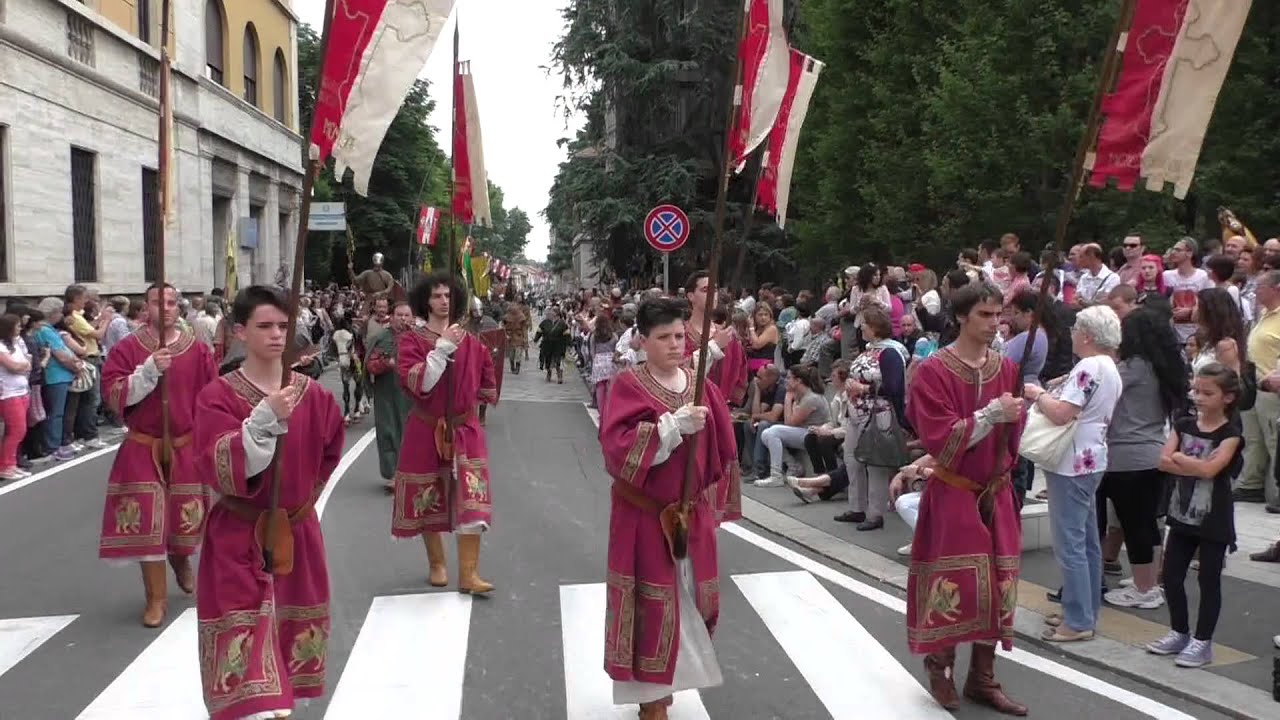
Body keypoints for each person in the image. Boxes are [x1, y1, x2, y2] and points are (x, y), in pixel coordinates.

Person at [193, 285, 345, 719]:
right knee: (247, 675)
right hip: (237, 537)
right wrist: (261, 420)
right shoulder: (217, 396)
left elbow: (330, 451)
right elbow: (216, 464)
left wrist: (301, 503)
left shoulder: (314, 396)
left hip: (296, 533)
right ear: (240, 331)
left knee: (291, 649)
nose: (277, 335)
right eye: (265, 326)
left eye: (283, 325)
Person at [599, 297, 739, 720]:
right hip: (643, 514)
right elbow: (616, 448)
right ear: (643, 340)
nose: (675, 345)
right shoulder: (629, 385)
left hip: (689, 514)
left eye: (680, 335)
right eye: (663, 337)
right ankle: (650, 698)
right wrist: (671, 428)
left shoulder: (699, 385)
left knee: (691, 600)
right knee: (651, 603)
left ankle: (674, 678)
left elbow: (722, 448)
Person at [893, 281, 1027, 715]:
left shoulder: (1007, 369)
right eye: (985, 315)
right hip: (954, 491)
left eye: (998, 314)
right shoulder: (932, 371)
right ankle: (941, 666)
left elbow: (1013, 438)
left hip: (997, 493)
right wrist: (991, 415)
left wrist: (1016, 418)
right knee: (953, 587)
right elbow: (940, 438)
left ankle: (983, 678)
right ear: (962, 316)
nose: (995, 323)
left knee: (999, 588)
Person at [98, 283, 217, 627]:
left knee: (184, 517)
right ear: (145, 307)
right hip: (143, 444)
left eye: (170, 302)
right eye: (156, 302)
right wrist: (148, 371)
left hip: (184, 444)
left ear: (178, 308)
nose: (165, 308)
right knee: (147, 521)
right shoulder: (127, 348)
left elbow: (210, 397)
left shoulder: (197, 349)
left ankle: (180, 559)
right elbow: (114, 395)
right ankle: (156, 599)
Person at [391, 271, 498, 594]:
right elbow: (416, 383)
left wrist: (470, 406)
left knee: (473, 497)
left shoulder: (474, 343)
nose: (443, 301)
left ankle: (469, 574)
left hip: (465, 428)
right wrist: (439, 352)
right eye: (437, 295)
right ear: (426, 300)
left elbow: (486, 383)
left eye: (448, 296)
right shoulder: (412, 341)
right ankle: (437, 563)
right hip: (425, 427)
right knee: (428, 498)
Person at [1147, 363, 1243, 668]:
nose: (1198, 397)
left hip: (1213, 517)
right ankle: (1179, 631)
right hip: (1180, 511)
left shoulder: (1231, 434)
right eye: (1195, 390)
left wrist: (1180, 459)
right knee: (1172, 576)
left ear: (1227, 398)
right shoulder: (1183, 423)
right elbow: (1162, 461)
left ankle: (1203, 641)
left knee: (1208, 579)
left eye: (1207, 392)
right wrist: (1185, 461)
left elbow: (1210, 470)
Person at [366, 301, 414, 493]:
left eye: (406, 315)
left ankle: (411, 472)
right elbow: (370, 365)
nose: (403, 319)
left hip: (411, 394)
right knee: (388, 431)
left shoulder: (418, 338)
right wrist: (387, 363)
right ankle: (392, 474)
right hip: (386, 393)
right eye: (399, 315)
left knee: (411, 432)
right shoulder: (380, 338)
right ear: (392, 317)